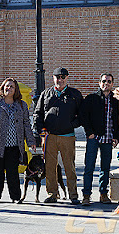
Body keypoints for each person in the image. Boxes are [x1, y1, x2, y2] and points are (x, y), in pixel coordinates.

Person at [0, 78, 36, 203]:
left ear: (15, 90)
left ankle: (15, 197)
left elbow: (26, 124)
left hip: (14, 145)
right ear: (2, 87)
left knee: (13, 173)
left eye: (11, 87)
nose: (8, 88)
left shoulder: (21, 105)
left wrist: (31, 141)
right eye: (7, 86)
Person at [33, 67, 83, 204]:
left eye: (63, 77)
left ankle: (73, 195)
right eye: (57, 77)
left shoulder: (75, 94)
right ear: (53, 78)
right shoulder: (46, 93)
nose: (60, 80)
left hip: (67, 136)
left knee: (69, 166)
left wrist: (72, 124)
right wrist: (40, 130)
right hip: (50, 136)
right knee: (50, 166)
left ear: (67, 78)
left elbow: (82, 114)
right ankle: (52, 194)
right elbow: (37, 113)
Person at [79, 73, 119, 205]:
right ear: (99, 83)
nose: (106, 84)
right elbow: (83, 115)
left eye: (109, 82)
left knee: (105, 167)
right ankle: (86, 195)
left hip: (108, 138)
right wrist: (89, 132)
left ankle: (103, 193)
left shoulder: (115, 100)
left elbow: (117, 119)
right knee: (89, 166)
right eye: (103, 81)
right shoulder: (92, 98)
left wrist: (116, 136)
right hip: (94, 138)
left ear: (112, 84)